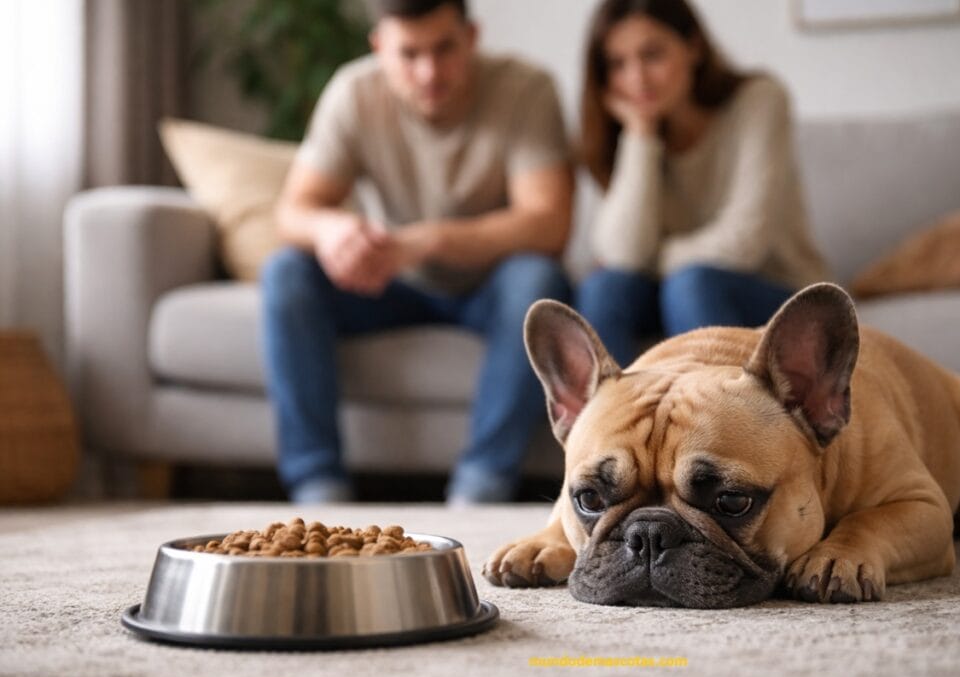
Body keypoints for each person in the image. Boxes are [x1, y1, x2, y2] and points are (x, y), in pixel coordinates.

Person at [263, 0, 574, 504]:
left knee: (537, 280)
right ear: (379, 48)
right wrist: (332, 229)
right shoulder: (353, 92)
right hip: (387, 284)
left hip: (490, 286)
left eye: (444, 48)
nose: (429, 72)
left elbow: (549, 224)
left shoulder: (526, 89)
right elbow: (292, 212)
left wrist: (427, 240)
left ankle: (482, 487)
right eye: (409, 54)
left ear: (472, 37)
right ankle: (317, 487)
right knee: (286, 272)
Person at [576, 0, 828, 367]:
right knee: (602, 289)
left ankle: (721, 422)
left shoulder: (760, 100)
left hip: (776, 291)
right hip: (673, 290)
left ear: (693, 46)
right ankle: (615, 423)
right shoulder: (630, 136)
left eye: (652, 54)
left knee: (691, 284)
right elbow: (622, 255)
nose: (637, 79)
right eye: (617, 64)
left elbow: (745, 242)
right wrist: (641, 134)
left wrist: (654, 259)